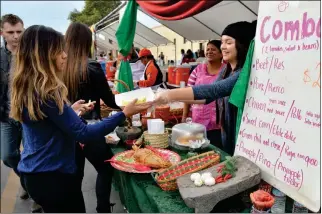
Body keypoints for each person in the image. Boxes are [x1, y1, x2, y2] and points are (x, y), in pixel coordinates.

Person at [10, 25, 152, 213]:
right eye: (58, 50)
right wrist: (124, 113)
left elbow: (47, 123)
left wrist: (70, 110)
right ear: (43, 55)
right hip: (53, 176)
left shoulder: (29, 88)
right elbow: (83, 133)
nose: (64, 55)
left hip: (35, 173)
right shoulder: (49, 92)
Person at [154, 21, 257, 155]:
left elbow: (215, 89)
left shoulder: (242, 73)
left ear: (242, 45)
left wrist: (170, 95)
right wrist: (171, 99)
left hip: (243, 139)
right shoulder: (226, 70)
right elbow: (208, 97)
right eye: (222, 42)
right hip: (226, 134)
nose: (223, 47)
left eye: (229, 42)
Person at [63, 22, 121, 213]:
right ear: (87, 41)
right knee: (104, 168)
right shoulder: (92, 66)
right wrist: (129, 106)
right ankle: (103, 208)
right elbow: (110, 100)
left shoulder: (60, 66)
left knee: (75, 177)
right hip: (90, 128)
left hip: (67, 131)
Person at [0, 14, 43, 213]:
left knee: (32, 157)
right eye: (11, 32)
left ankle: (37, 195)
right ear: (2, 33)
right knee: (8, 156)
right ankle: (27, 181)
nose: (16, 36)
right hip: (5, 116)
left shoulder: (32, 55)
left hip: (29, 115)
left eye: (19, 31)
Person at [183, 40, 224, 149]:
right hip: (198, 120)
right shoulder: (198, 70)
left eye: (213, 49)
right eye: (208, 49)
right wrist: (184, 115)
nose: (209, 52)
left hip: (219, 123)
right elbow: (188, 93)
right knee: (198, 149)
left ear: (221, 54)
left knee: (216, 150)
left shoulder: (226, 71)